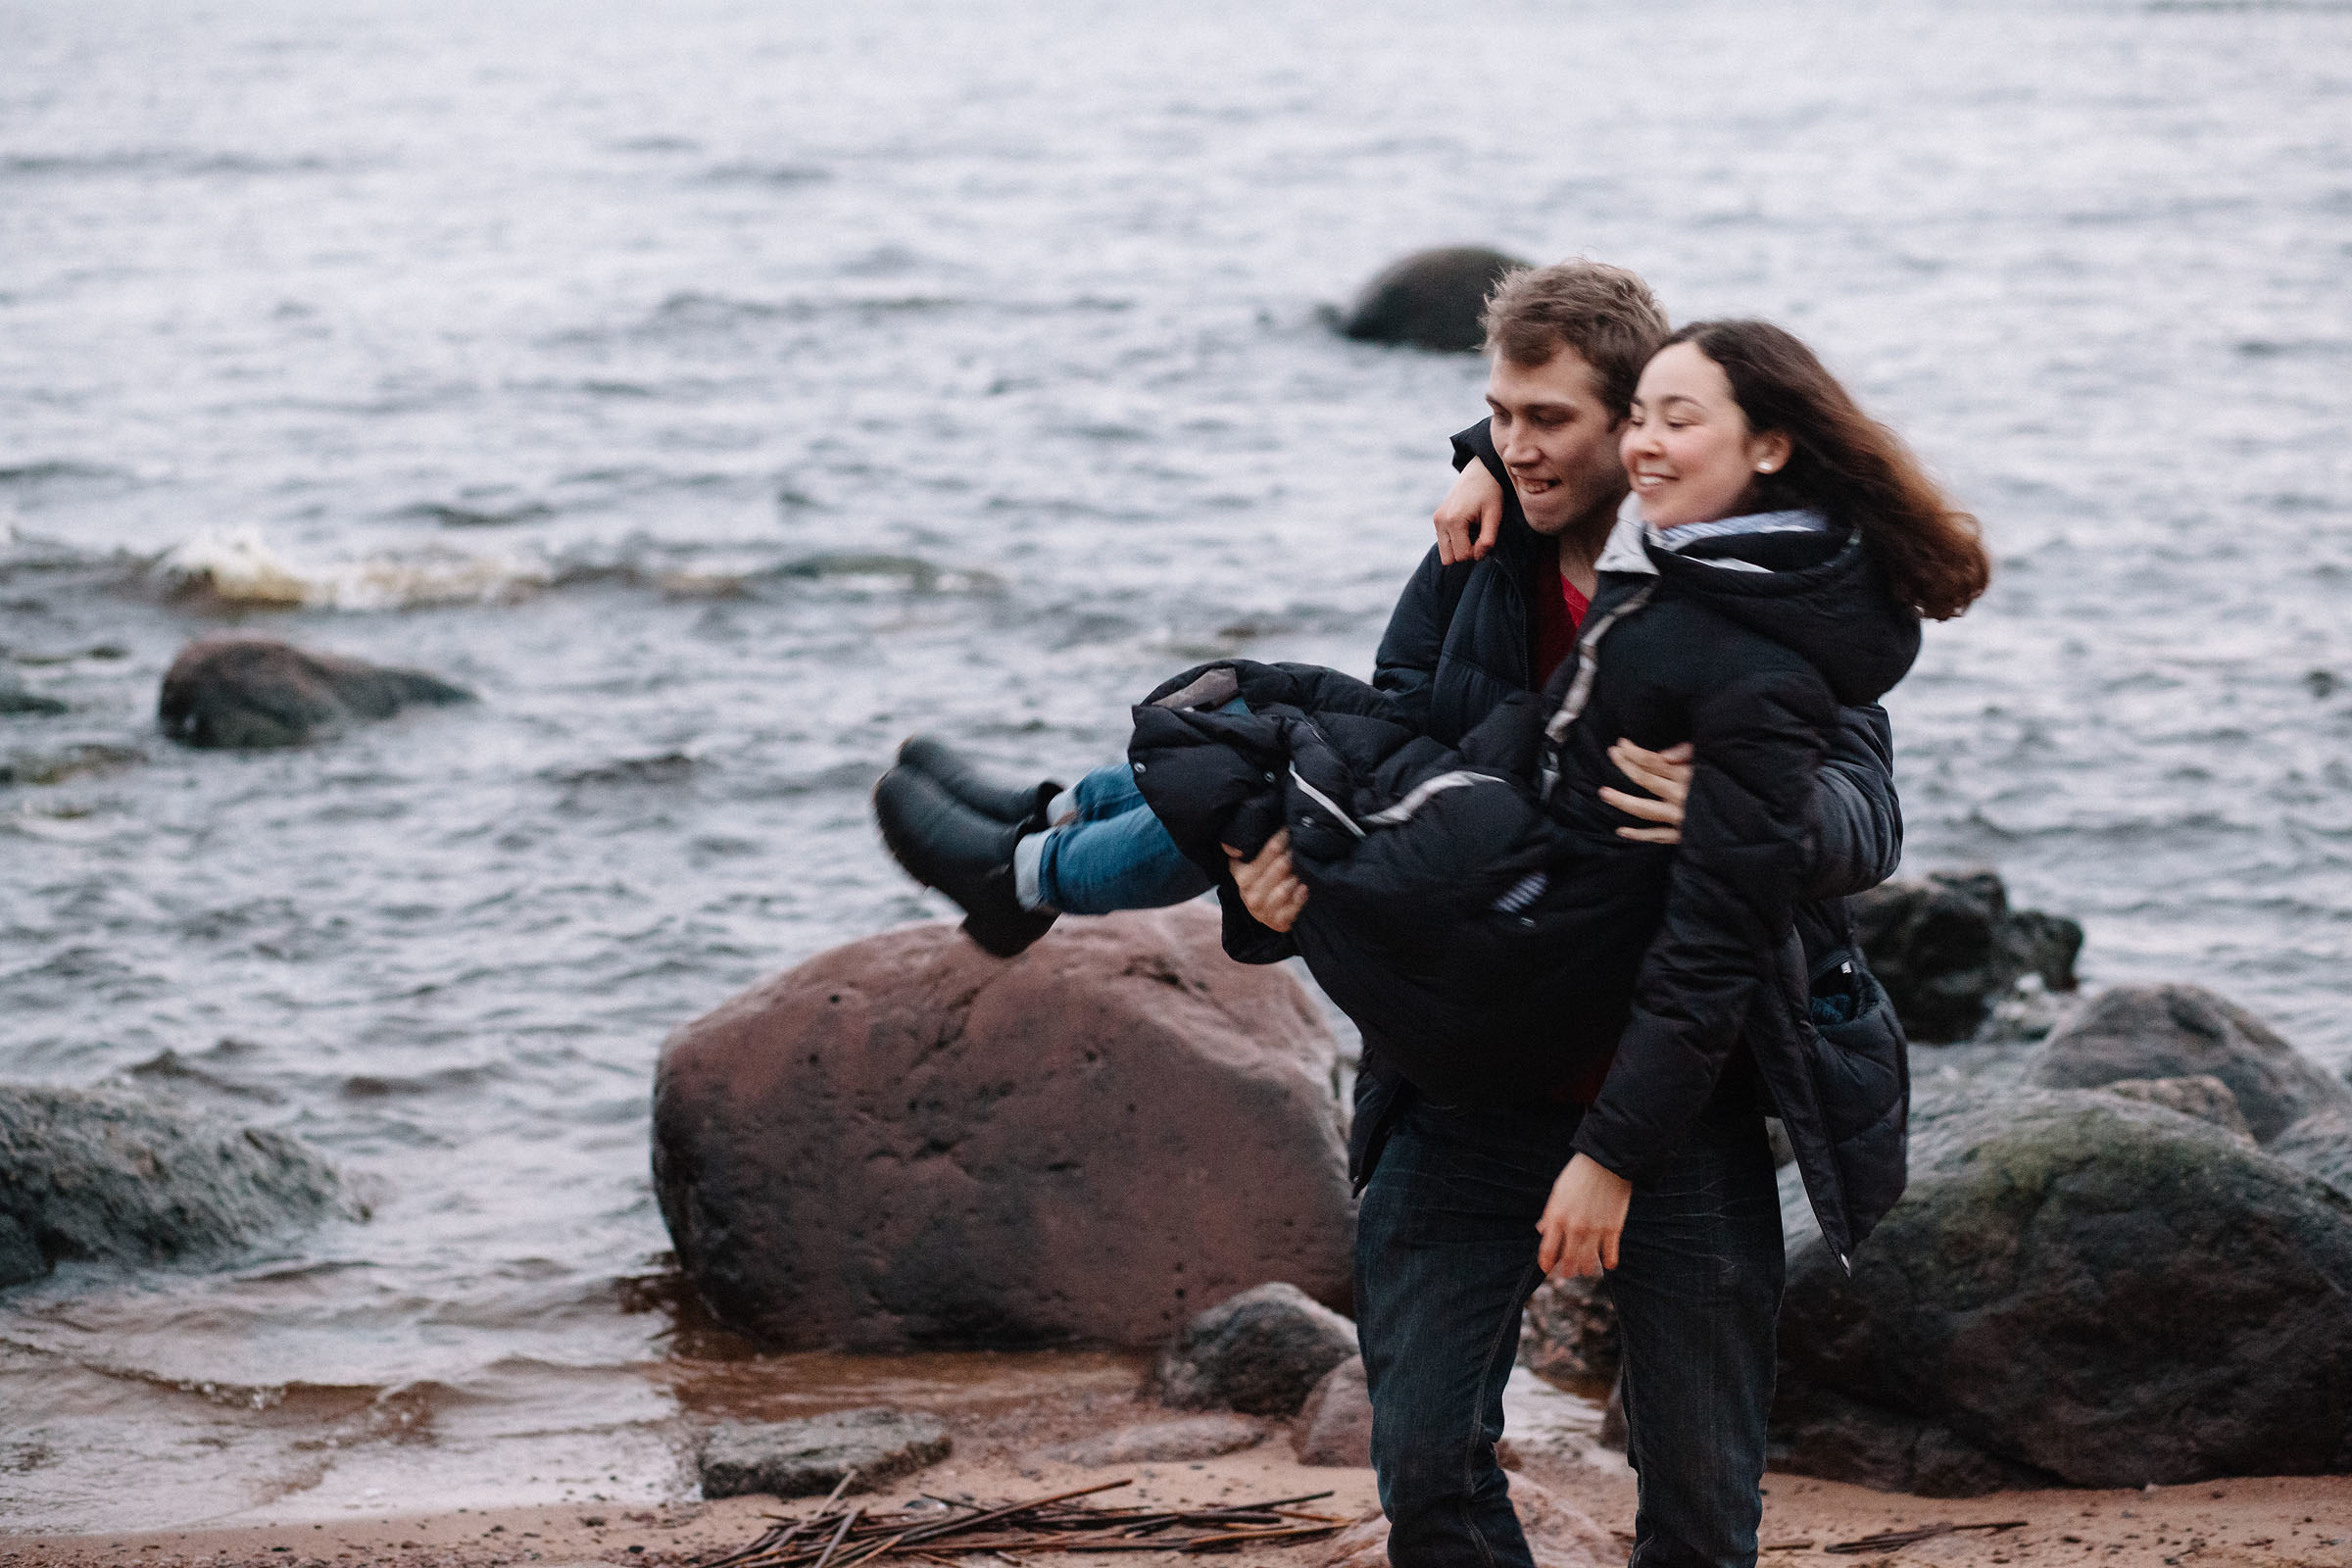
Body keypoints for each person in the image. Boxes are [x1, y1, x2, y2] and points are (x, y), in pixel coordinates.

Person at [1126, 316, 1988, 1568]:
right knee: (1425, 1476)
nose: (1523, 449)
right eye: (1502, 421)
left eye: (1551, 422)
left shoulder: (1755, 593)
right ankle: (1034, 853)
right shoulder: (1470, 565)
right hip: (1462, 1082)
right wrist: (1272, 889)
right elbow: (1381, 774)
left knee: (1701, 1513)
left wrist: (1746, 812)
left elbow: (1869, 816)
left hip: (1680, 1096)